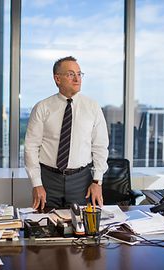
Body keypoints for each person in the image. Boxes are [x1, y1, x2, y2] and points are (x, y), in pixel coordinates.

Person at [24, 56, 109, 210]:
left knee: (81, 230)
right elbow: (31, 147)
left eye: (79, 74)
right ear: (57, 79)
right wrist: (36, 184)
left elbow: (100, 146)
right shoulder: (42, 107)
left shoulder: (92, 107)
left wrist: (97, 182)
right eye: (71, 74)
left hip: (81, 180)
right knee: (46, 227)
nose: (77, 79)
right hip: (48, 180)